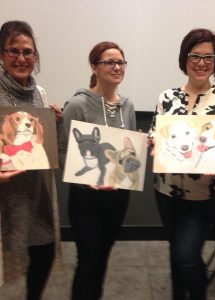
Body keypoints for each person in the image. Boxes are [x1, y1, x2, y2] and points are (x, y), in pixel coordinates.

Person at [149, 28, 215, 300]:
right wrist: (153, 142)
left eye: (209, 57)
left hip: (204, 193)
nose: (201, 63)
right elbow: (156, 131)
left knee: (187, 255)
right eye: (195, 56)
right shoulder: (167, 97)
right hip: (166, 191)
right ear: (185, 59)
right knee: (175, 250)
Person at [58, 41, 136, 300]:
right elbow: (62, 150)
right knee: (88, 262)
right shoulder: (77, 105)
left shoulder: (128, 106)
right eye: (109, 62)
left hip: (117, 195)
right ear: (94, 67)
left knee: (103, 257)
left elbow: (128, 154)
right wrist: (84, 179)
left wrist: (136, 152)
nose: (116, 67)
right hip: (86, 198)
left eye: (120, 62)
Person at [0, 20, 61, 300]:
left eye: (28, 52)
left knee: (44, 251)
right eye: (14, 51)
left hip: (35, 189)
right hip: (3, 191)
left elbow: (39, 141)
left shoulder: (40, 93)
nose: (21, 58)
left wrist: (52, 123)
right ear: (2, 54)